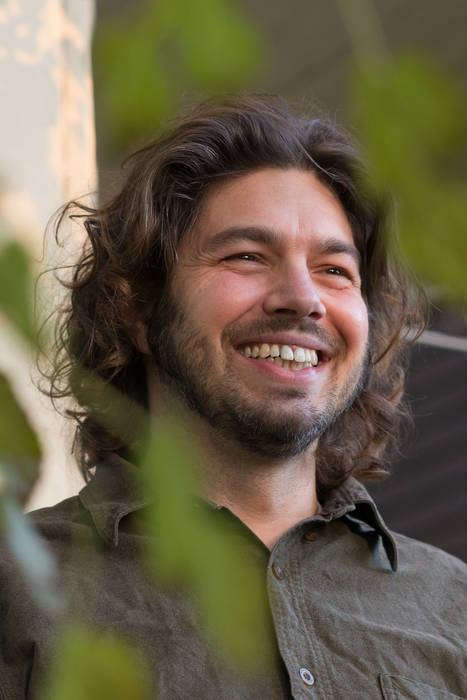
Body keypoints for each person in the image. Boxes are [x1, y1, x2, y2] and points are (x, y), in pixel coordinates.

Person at [1, 96, 466, 699]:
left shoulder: (454, 607)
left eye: (334, 269)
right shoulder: (15, 592)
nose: (302, 298)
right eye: (246, 256)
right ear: (137, 310)